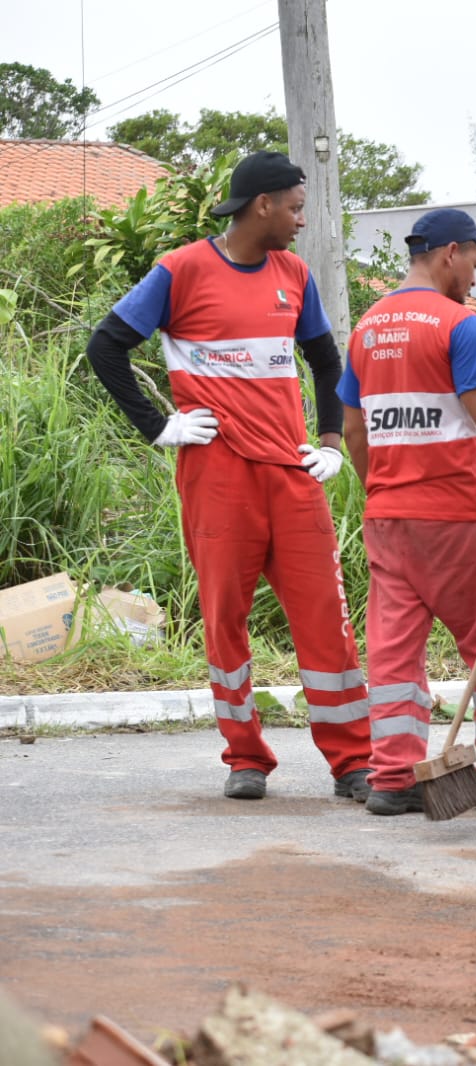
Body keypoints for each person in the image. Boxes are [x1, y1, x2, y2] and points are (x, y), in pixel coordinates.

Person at [85, 151, 371, 802]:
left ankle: (353, 761)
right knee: (225, 617)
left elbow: (327, 360)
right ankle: (246, 757)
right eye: (296, 207)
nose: (302, 219)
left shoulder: (294, 274)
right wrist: (158, 427)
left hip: (291, 473)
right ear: (262, 204)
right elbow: (105, 346)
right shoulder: (180, 270)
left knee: (326, 616)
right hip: (215, 472)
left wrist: (329, 442)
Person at [338, 209, 476, 816]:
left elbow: (354, 427)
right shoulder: (458, 326)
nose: (474, 279)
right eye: (475, 264)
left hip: (388, 515)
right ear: (450, 254)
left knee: (394, 652)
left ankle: (393, 778)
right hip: (455, 515)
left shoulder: (368, 327)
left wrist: (380, 485)